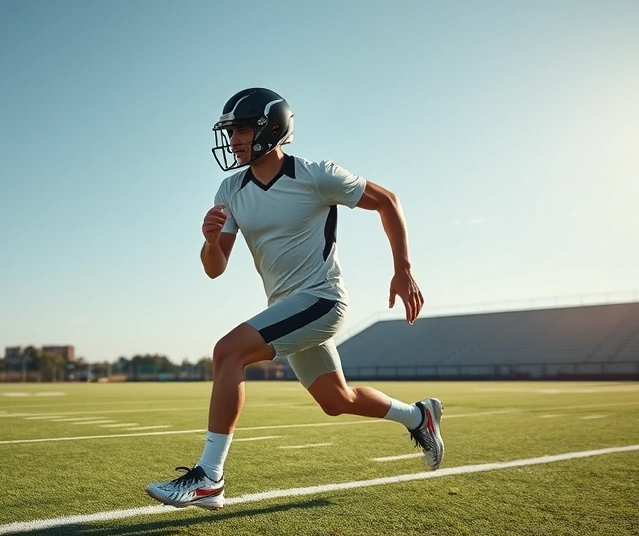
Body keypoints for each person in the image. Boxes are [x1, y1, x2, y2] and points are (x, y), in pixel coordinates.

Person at [145, 87, 443, 511]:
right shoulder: (229, 191)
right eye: (231, 132)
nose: (234, 141)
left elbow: (387, 201)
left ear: (272, 127)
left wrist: (403, 270)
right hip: (286, 309)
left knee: (228, 353)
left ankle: (209, 478)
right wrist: (210, 241)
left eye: (242, 130)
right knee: (336, 401)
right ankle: (419, 416)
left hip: (322, 300)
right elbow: (215, 267)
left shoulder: (316, 174)